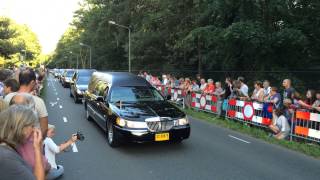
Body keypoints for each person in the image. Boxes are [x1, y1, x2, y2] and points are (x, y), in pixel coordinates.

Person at [0, 105, 45, 180]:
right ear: (20, 127)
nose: (34, 130)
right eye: (32, 126)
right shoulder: (7, 158)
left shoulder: (6, 149)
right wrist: (37, 149)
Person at [4, 69, 48, 136]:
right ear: (32, 82)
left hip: (11, 140)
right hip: (31, 143)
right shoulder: (38, 101)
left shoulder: (7, 97)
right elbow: (44, 128)